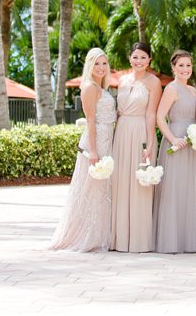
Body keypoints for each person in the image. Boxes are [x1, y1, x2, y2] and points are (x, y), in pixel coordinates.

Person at [50, 48, 117, 252]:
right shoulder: (89, 87)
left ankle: (101, 234)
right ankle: (86, 235)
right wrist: (94, 151)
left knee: (102, 189)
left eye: (104, 63)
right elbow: (90, 119)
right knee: (91, 188)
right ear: (90, 65)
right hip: (96, 140)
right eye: (97, 63)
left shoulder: (102, 87)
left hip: (107, 136)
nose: (101, 67)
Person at [152, 50, 196, 253]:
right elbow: (159, 117)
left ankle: (186, 239)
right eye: (181, 65)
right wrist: (173, 138)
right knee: (173, 189)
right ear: (173, 68)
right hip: (176, 141)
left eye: (188, 65)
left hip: (191, 143)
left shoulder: (193, 91)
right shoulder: (171, 89)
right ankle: (170, 240)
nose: (185, 69)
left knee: (188, 189)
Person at [110, 42, 162, 252]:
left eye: (143, 57)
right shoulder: (122, 80)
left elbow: (151, 113)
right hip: (121, 132)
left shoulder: (154, 82)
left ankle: (140, 240)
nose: (138, 61)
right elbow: (118, 112)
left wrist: (150, 142)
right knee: (121, 182)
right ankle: (120, 239)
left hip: (141, 129)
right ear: (129, 58)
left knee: (140, 182)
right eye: (135, 57)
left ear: (149, 59)